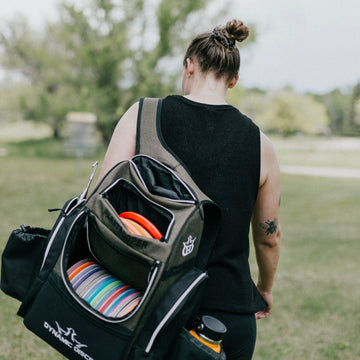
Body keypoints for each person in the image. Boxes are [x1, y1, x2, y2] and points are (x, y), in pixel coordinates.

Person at [98, 19, 281, 360]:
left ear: (189, 66)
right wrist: (265, 288)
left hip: (141, 301)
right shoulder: (261, 144)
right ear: (234, 79)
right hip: (226, 312)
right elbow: (268, 236)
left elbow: (102, 202)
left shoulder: (142, 116)